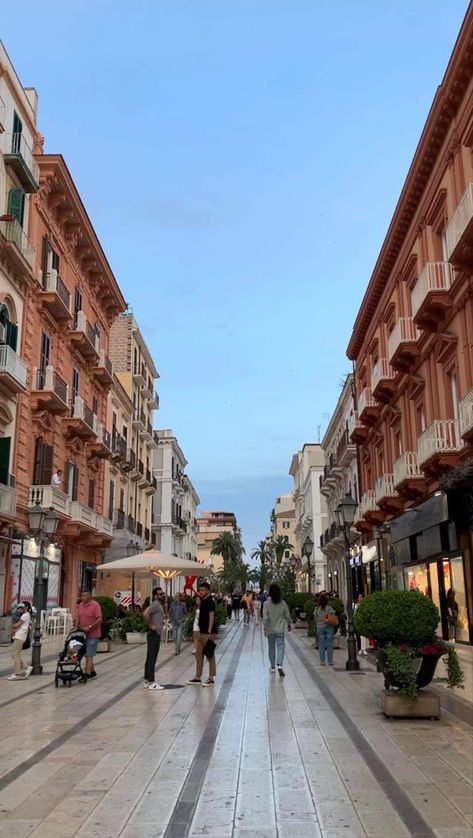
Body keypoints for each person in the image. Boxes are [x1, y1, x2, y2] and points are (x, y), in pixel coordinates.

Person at [187, 581, 216, 687]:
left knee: (210, 655)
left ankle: (211, 678)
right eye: (200, 590)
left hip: (207, 633)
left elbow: (211, 616)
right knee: (199, 655)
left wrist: (209, 631)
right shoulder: (203, 601)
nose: (201, 592)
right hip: (200, 632)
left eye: (203, 590)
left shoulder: (210, 602)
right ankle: (198, 677)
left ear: (208, 591)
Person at [263, 582, 291, 677]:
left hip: (270, 630)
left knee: (271, 648)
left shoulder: (266, 604)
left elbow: (265, 618)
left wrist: (265, 628)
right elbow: (287, 616)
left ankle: (272, 667)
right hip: (280, 630)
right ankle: (279, 665)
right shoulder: (283, 603)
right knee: (281, 647)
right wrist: (289, 624)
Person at [143, 587, 166, 690]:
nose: (163, 595)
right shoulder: (156, 604)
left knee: (150, 657)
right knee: (152, 657)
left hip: (154, 633)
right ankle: (151, 681)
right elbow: (145, 614)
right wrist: (151, 624)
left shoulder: (159, 605)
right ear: (156, 596)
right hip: (154, 633)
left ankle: (147, 680)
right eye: (160, 594)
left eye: (163, 593)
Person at [76, 591, 102, 678]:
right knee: (87, 653)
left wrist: (90, 626)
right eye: (82, 595)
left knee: (89, 654)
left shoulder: (95, 605)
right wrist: (78, 627)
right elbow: (79, 618)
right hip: (83, 634)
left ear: (89, 596)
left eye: (84, 595)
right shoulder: (80, 605)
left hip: (93, 634)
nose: (82, 597)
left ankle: (86, 673)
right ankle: (92, 671)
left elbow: (99, 619)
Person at [7, 602, 33, 681]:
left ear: (27, 607)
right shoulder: (25, 615)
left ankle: (17, 673)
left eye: (23, 607)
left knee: (15, 654)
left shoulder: (25, 615)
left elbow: (16, 625)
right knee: (14, 654)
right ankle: (26, 667)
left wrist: (12, 626)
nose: (22, 608)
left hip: (20, 636)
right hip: (18, 636)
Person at [314, 593, 335, 666]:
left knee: (321, 644)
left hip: (320, 627)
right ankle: (330, 661)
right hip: (329, 627)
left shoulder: (317, 609)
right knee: (329, 644)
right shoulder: (329, 608)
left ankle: (322, 661)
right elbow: (333, 615)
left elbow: (315, 618)